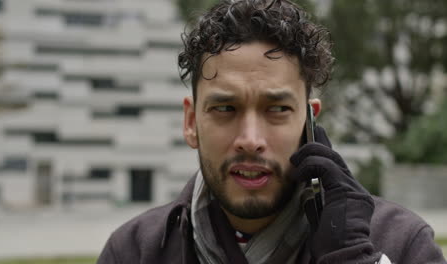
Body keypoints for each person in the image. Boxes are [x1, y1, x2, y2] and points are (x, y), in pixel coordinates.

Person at [96, 0, 446, 263]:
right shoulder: (134, 251)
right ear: (191, 123)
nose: (250, 139)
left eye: (277, 109)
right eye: (225, 109)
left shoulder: (401, 244)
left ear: (310, 123)